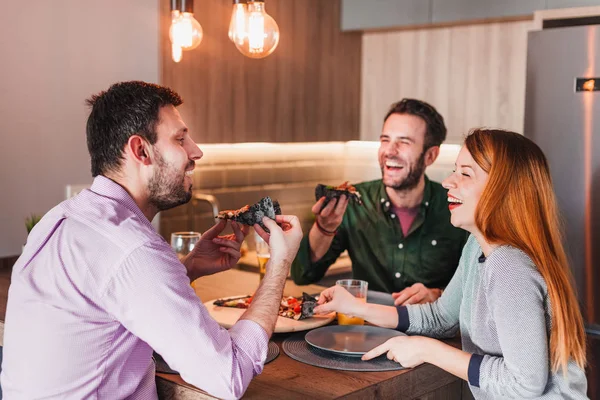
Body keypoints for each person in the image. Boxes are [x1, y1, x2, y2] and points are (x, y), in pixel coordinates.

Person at [0, 81, 303, 399]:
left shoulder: (62, 219)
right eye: (180, 139)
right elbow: (228, 376)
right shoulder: (133, 248)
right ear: (140, 151)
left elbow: (111, 301)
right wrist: (279, 263)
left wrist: (190, 267)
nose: (196, 151)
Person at [314, 129, 588, 399]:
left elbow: (525, 384)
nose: (447, 181)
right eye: (455, 170)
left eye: (465, 174)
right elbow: (441, 318)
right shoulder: (475, 247)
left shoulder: (508, 265)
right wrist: (356, 307)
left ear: (503, 190)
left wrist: (427, 349)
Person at [291, 99, 468, 305]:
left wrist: (440, 295)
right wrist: (324, 228)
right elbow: (303, 275)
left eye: (404, 142)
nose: (390, 151)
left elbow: (478, 287)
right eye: (385, 140)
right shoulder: (354, 202)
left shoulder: (456, 209)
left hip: (430, 332)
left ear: (430, 155)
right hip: (365, 328)